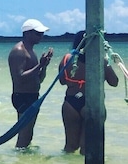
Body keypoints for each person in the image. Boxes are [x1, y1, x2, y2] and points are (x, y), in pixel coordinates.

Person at [59, 30, 119, 154]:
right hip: (91, 103)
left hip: (70, 103)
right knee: (87, 148)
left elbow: (62, 81)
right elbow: (114, 82)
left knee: (70, 147)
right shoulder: (100, 61)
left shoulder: (66, 59)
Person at [8, 18, 54, 148]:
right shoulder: (19, 51)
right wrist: (40, 65)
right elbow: (19, 78)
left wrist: (44, 66)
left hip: (33, 96)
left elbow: (39, 79)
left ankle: (25, 162)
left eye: (42, 33)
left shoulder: (31, 51)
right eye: (38, 33)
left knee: (28, 135)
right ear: (27, 33)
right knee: (24, 135)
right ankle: (20, 161)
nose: (41, 36)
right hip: (22, 97)